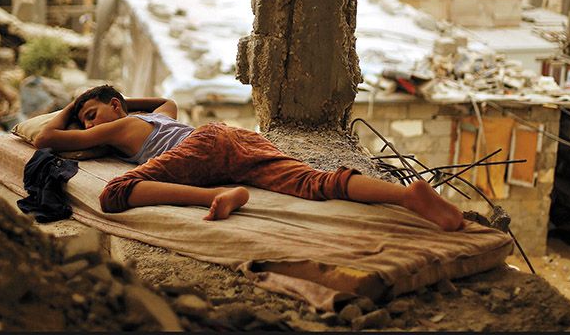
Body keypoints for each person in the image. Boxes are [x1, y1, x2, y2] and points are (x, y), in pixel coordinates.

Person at [35, 85, 465, 230]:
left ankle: (216, 197)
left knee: (116, 192)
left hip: (199, 151)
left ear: (115, 105)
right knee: (312, 181)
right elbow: (166, 97)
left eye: (93, 116)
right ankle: (406, 196)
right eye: (85, 119)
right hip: (232, 136)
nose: (89, 127)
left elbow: (46, 139)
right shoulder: (162, 114)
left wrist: (74, 107)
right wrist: (113, 101)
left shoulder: (123, 125)